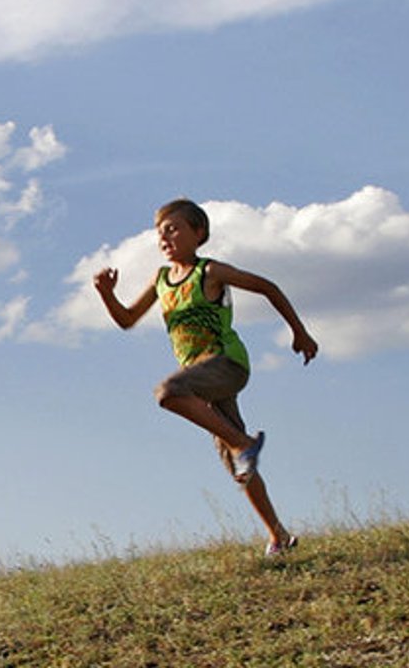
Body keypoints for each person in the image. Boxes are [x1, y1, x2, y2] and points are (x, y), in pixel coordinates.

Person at [92, 198, 318, 556]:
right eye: (160, 233)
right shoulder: (162, 279)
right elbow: (127, 319)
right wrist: (107, 295)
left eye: (173, 229)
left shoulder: (209, 272)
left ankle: (243, 444)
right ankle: (279, 536)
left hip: (226, 364)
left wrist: (299, 332)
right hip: (200, 378)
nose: (165, 238)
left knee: (168, 392)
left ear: (198, 233)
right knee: (235, 464)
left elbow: (268, 287)